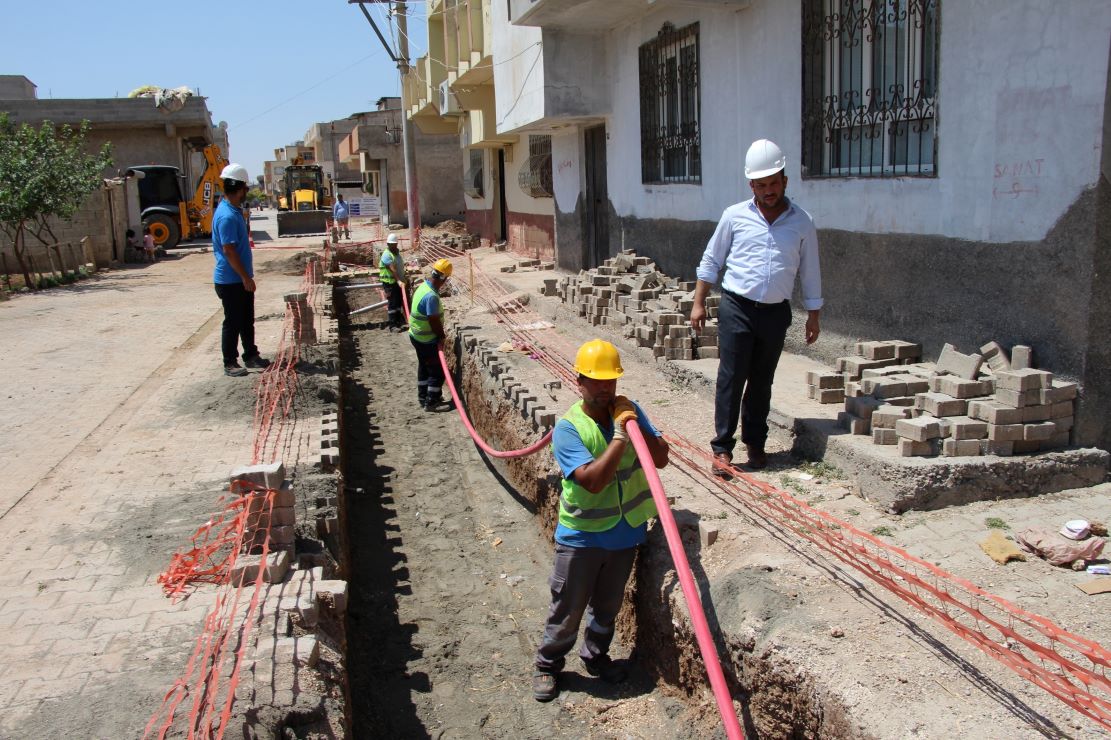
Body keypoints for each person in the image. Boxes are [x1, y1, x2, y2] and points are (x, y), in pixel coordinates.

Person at [532, 339, 669, 703]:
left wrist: (636, 423)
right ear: (580, 381)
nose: (605, 388)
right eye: (597, 381)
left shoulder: (629, 411)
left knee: (607, 607)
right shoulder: (568, 428)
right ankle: (548, 664)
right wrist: (622, 438)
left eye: (611, 381)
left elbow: (660, 459)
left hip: (625, 534)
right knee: (569, 606)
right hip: (583, 537)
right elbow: (592, 482)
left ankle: (596, 656)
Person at [691, 139, 822, 474]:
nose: (768, 191)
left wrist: (814, 314)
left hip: (776, 312)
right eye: (761, 185)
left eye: (774, 183)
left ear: (785, 180)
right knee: (731, 378)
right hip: (737, 307)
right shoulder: (734, 217)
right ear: (751, 185)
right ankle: (722, 448)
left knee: (762, 380)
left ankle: (756, 443)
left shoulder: (802, 222)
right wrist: (698, 302)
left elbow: (811, 270)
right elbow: (711, 259)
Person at [213, 163, 271, 377]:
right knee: (233, 321)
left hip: (239, 279)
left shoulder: (232, 211)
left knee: (247, 319)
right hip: (231, 280)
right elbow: (229, 251)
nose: (246, 192)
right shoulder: (227, 216)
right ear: (239, 189)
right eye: (245, 188)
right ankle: (230, 362)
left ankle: (251, 355)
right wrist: (245, 277)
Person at [408, 258, 453, 410]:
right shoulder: (432, 297)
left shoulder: (423, 287)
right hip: (426, 339)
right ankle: (431, 402)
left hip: (416, 335)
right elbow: (433, 320)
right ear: (444, 278)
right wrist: (441, 336)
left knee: (424, 366)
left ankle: (423, 396)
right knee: (437, 370)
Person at [379, 232, 406, 332]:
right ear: (388, 244)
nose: (393, 246)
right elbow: (392, 269)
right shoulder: (386, 254)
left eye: (395, 244)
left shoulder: (396, 254)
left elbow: (399, 267)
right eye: (391, 244)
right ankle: (392, 325)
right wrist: (399, 280)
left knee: (398, 302)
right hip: (389, 283)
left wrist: (402, 279)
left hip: (397, 282)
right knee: (392, 304)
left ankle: (399, 322)